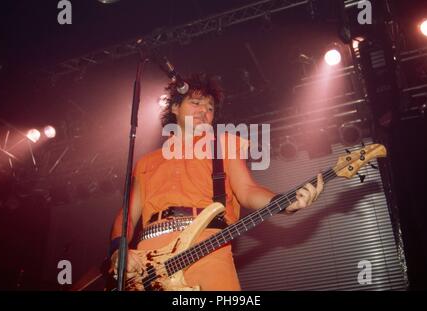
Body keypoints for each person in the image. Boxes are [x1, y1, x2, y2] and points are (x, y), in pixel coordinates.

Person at [109, 73, 324, 291]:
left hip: (207, 249)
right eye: (195, 103)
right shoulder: (146, 161)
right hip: (148, 262)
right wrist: (119, 248)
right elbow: (128, 214)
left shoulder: (223, 145)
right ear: (175, 107)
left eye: (210, 108)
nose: (204, 111)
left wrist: (283, 202)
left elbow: (248, 190)